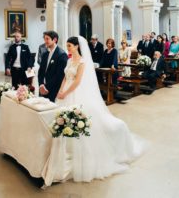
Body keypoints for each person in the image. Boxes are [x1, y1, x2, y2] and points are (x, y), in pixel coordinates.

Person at [42, 36, 145, 186]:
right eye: (67, 46)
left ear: (77, 46)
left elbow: (77, 81)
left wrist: (66, 92)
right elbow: (65, 77)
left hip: (75, 92)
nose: (68, 48)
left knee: (76, 120)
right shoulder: (70, 60)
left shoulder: (82, 62)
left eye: (70, 46)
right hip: (64, 92)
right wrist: (61, 91)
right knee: (60, 119)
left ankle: (78, 153)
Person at [37, 31, 68, 102]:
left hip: (54, 90)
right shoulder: (45, 54)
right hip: (43, 89)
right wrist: (41, 84)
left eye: (47, 39)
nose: (45, 41)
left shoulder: (62, 55)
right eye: (44, 39)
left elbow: (59, 76)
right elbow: (41, 71)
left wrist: (46, 87)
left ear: (55, 40)